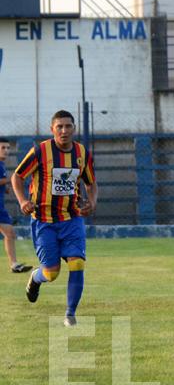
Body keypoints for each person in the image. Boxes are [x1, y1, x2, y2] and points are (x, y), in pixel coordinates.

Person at [11, 111, 97, 327]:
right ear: (52, 129)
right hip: (44, 220)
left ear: (74, 128)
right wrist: (22, 201)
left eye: (68, 126)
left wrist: (92, 202)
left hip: (71, 218)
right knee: (51, 273)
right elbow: (17, 176)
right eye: (59, 126)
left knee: (77, 262)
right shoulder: (40, 151)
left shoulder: (82, 153)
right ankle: (36, 278)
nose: (64, 130)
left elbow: (91, 183)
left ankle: (70, 313)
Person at [0, 138, 32, 273]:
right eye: (3, 148)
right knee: (10, 233)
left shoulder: (2, 164)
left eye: (8, 148)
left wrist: (5, 186)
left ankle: (14, 264)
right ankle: (14, 264)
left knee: (10, 233)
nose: (6, 150)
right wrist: (13, 178)